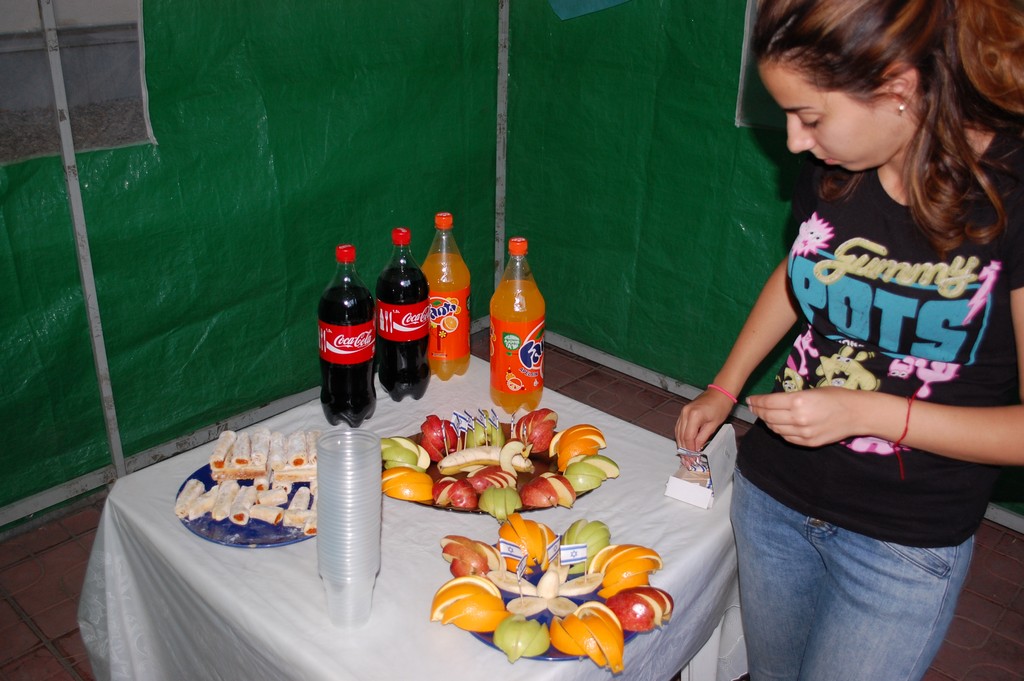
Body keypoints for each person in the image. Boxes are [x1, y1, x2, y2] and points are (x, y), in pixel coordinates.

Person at [675, 0, 1024, 679]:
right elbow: (802, 268)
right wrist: (725, 385)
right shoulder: (838, 165)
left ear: (898, 89)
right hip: (774, 499)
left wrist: (865, 412)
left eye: (809, 117)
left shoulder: (1011, 194)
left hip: (902, 541)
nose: (795, 142)